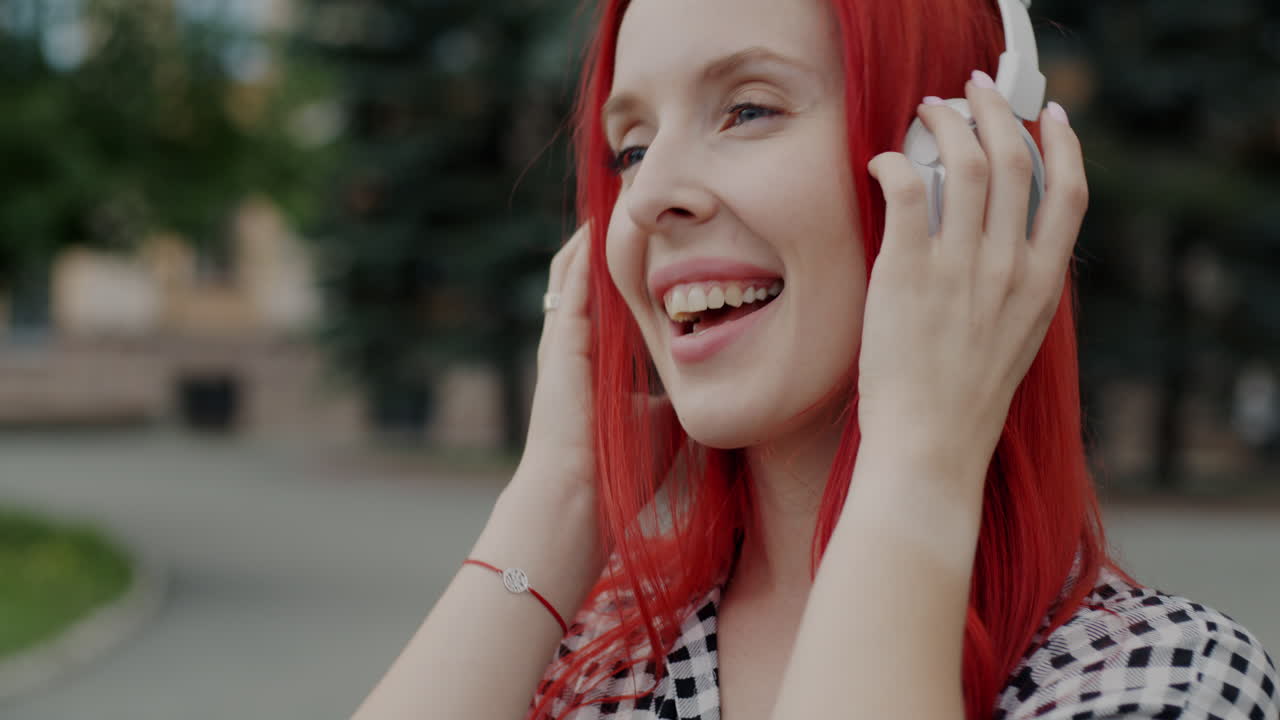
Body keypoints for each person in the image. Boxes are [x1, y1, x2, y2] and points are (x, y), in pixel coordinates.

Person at [351, 0, 1280, 718]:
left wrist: (916, 458)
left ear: (962, 175)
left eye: (748, 108)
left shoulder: (1163, 677)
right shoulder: (600, 654)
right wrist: (556, 495)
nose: (646, 201)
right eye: (630, 149)